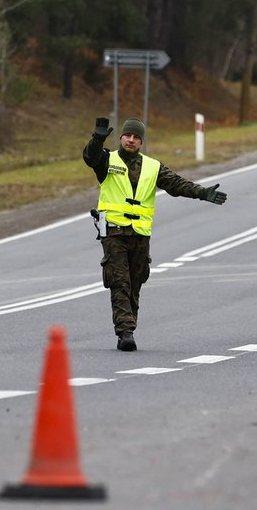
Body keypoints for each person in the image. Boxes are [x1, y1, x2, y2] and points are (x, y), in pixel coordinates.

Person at [84, 116, 227, 351]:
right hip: (113, 231)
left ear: (141, 142)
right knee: (119, 281)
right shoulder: (107, 160)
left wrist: (202, 193)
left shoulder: (152, 166)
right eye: (128, 135)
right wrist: (97, 139)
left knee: (136, 281)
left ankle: (130, 324)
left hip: (140, 232)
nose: (131, 140)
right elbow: (90, 157)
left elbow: (177, 184)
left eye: (136, 137)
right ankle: (125, 332)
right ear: (121, 137)